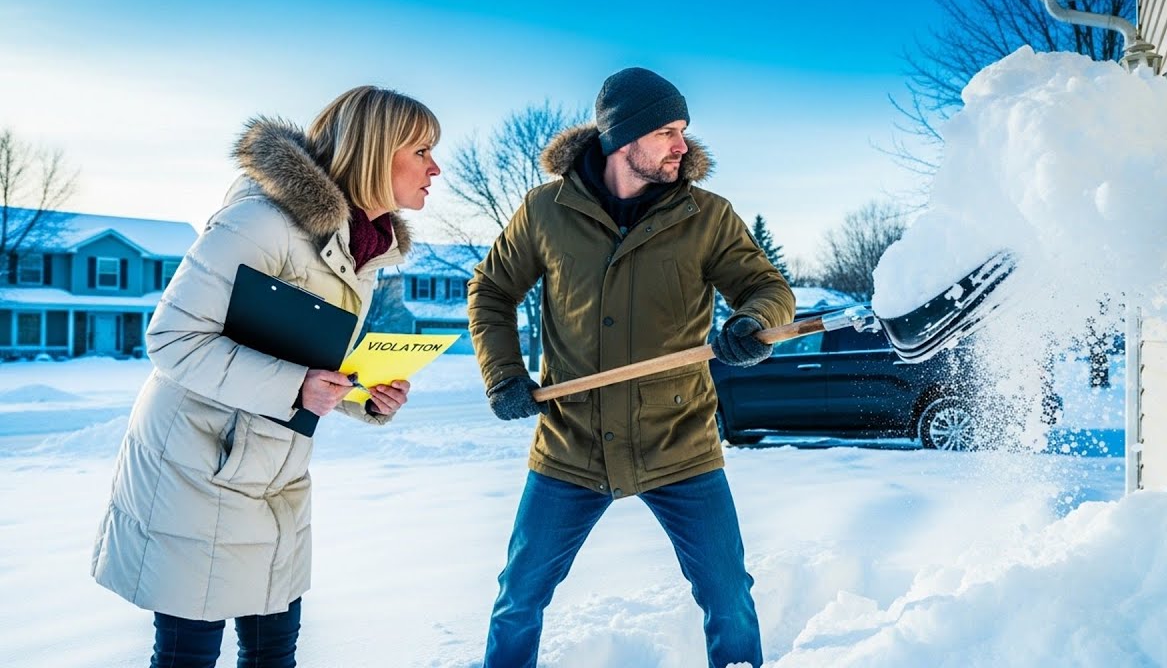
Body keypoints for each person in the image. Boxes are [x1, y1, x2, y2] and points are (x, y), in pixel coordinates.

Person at [90, 85, 440, 667]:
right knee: (188, 657)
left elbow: (306, 352)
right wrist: (295, 386)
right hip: (196, 465)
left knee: (275, 652)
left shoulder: (361, 248)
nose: (435, 167)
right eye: (422, 149)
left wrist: (365, 396)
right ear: (377, 151)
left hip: (276, 470)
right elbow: (172, 339)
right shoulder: (261, 220)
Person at [468, 67, 795, 668]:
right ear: (624, 137)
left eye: (683, 131)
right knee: (519, 599)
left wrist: (754, 325)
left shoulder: (707, 215)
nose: (682, 146)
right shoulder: (546, 211)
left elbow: (765, 287)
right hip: (570, 442)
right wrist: (503, 373)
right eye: (668, 131)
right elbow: (490, 289)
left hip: (680, 441)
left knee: (728, 598)